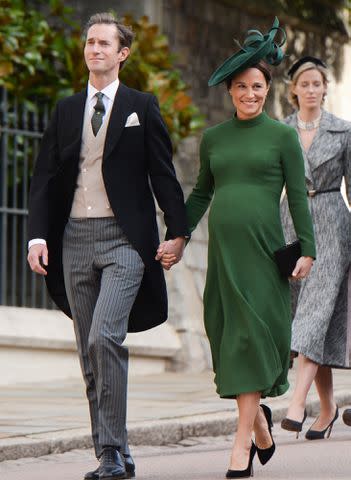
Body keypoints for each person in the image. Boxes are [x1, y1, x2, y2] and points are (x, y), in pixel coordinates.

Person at [27, 12, 188, 480]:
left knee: (104, 337)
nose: (95, 49)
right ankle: (111, 453)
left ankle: (113, 449)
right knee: (87, 351)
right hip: (74, 238)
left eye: (105, 44)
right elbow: (44, 177)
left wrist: (177, 233)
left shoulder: (142, 104)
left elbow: (162, 173)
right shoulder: (65, 109)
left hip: (124, 242)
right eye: (90, 42)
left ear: (122, 54)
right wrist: (38, 234)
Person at [157, 18, 315, 478]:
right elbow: (202, 193)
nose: (251, 93)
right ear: (230, 91)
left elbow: (299, 196)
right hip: (225, 257)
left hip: (265, 255)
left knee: (253, 339)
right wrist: (180, 236)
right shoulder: (214, 139)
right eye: (243, 87)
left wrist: (308, 249)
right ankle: (260, 428)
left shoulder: (283, 136)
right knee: (230, 340)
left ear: (268, 89)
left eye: (258, 86)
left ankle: (241, 445)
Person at [280, 56, 351, 440]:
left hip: (332, 225)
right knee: (308, 318)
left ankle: (296, 404)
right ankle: (327, 409)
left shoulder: (344, 132)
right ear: (293, 89)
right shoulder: (279, 131)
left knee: (315, 310)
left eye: (317, 83)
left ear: (325, 88)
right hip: (290, 223)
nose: (311, 89)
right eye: (304, 83)